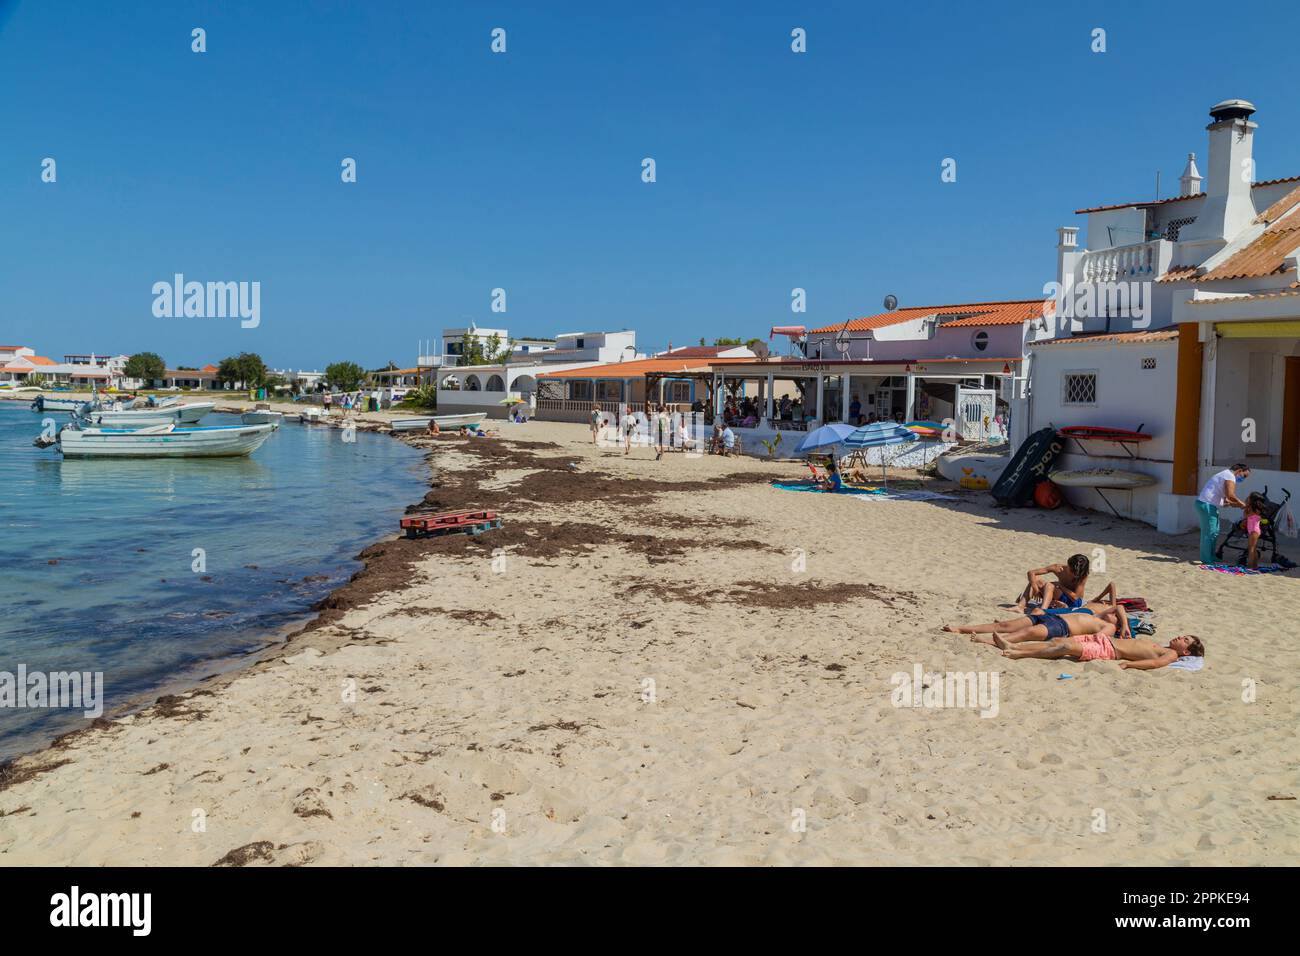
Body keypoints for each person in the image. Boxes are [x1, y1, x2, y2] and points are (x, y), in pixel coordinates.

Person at [996, 631, 1204, 671]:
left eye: (1184, 639)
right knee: (1059, 641)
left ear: (1186, 652)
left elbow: (1154, 664)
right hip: (1104, 640)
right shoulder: (1164, 646)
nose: (1179, 637)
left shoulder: (1171, 654)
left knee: (1066, 647)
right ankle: (1014, 646)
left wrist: (1129, 664)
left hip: (1107, 651)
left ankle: (1020, 654)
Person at [1195, 463, 1250, 564]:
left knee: (1214, 532)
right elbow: (1231, 496)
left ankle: (1211, 556)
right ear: (1239, 471)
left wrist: (1239, 505)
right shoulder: (1230, 476)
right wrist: (1242, 503)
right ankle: (1206, 559)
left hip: (1209, 505)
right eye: (1244, 476)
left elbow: (1227, 501)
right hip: (1207, 505)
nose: (1243, 479)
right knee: (1209, 533)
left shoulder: (1226, 475)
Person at [1014, 554, 1090, 610]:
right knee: (1036, 579)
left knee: (1049, 586)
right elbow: (1031, 573)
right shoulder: (1058, 568)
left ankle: (1043, 610)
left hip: (1073, 602)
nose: (1074, 575)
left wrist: (1060, 586)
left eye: (1076, 574)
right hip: (1059, 595)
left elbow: (1076, 598)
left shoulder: (1082, 576)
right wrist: (1035, 588)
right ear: (1068, 564)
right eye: (1072, 571)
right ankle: (1020, 606)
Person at [1242, 491, 1265, 569]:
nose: (1247, 498)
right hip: (1253, 530)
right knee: (1253, 548)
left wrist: (1246, 507)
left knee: (1251, 549)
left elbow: (1245, 515)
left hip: (1254, 531)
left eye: (1249, 497)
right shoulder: (1254, 508)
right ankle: (1255, 565)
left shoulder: (1254, 510)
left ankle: (1250, 566)